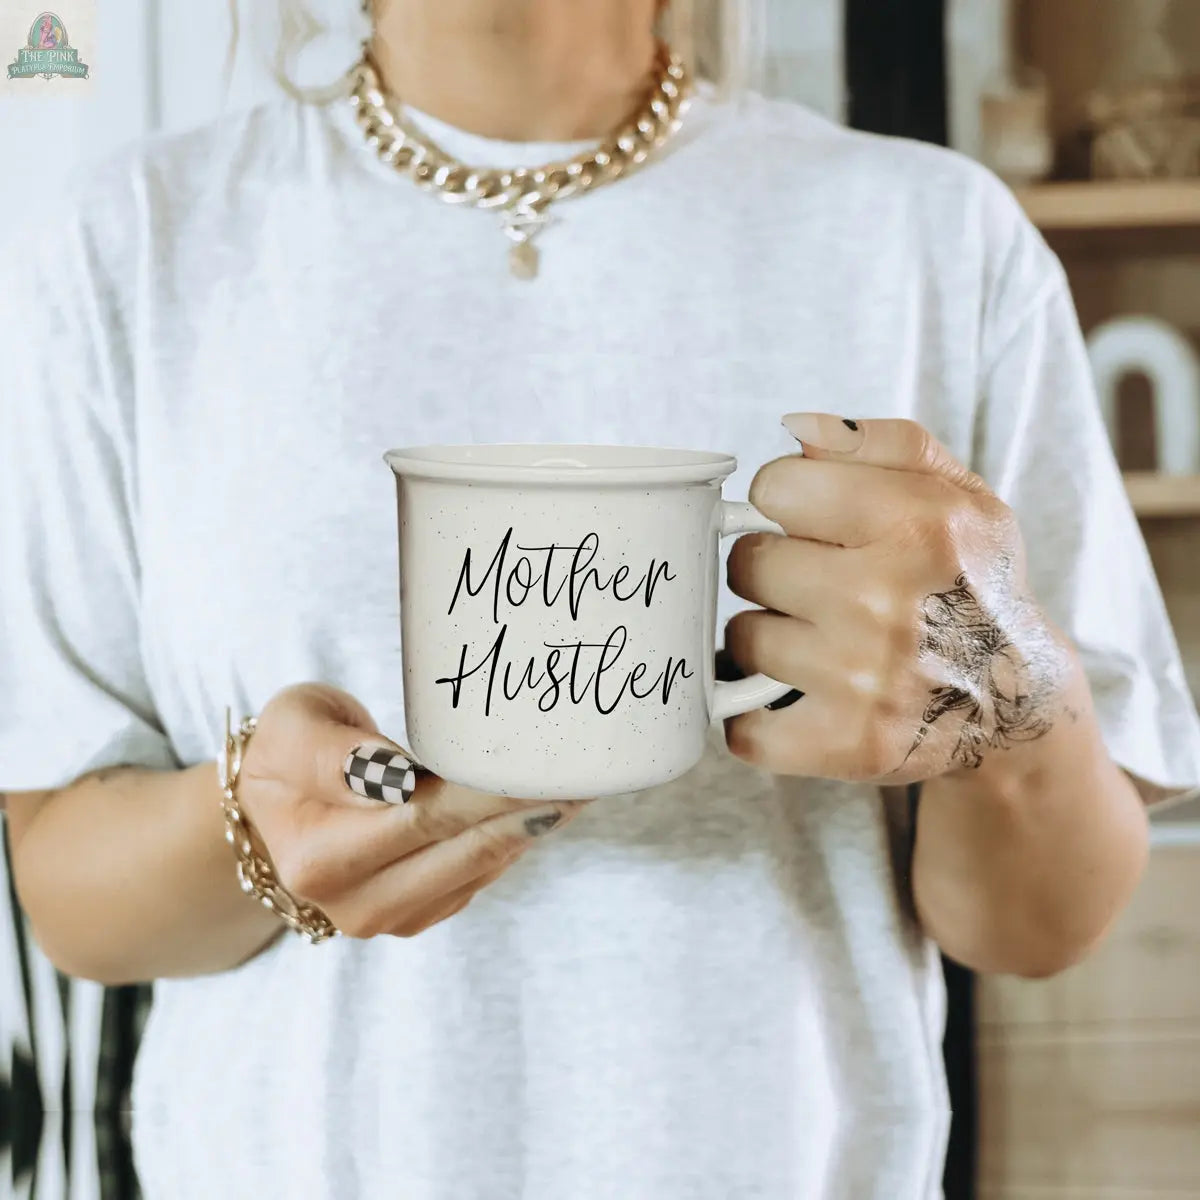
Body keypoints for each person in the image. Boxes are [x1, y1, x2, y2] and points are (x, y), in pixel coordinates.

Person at [2, 0, 1199, 1196]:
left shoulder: (933, 234)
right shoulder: (138, 237)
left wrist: (998, 701)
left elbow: (1038, 929)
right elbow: (75, 905)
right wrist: (254, 829)